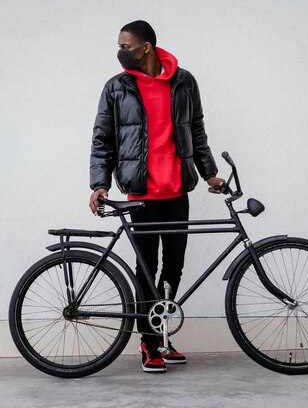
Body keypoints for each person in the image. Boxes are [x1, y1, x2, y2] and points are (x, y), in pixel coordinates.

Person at [88, 20, 225, 373]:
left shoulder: (183, 81)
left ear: (146, 46)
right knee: (146, 268)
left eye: (126, 45)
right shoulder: (116, 88)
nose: (121, 52)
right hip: (141, 192)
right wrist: (99, 184)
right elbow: (103, 139)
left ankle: (162, 334)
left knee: (174, 266)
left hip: (177, 188)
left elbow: (196, 130)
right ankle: (148, 344)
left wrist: (209, 172)